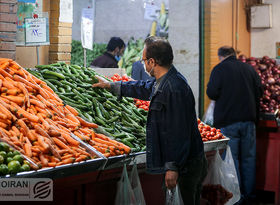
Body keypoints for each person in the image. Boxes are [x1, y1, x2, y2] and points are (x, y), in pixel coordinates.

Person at [93, 36, 207, 205]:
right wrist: (112, 86)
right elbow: (144, 88)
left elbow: (178, 132)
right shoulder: (165, 81)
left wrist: (172, 167)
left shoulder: (173, 88)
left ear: (152, 62)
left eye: (143, 60)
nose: (143, 63)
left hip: (185, 166)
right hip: (185, 163)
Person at [206, 46, 263, 205]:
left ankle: (236, 198)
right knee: (248, 159)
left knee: (232, 160)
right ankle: (249, 196)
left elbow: (212, 93)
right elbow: (260, 91)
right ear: (234, 55)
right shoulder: (249, 69)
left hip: (228, 122)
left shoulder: (219, 69)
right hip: (249, 122)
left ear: (220, 56)